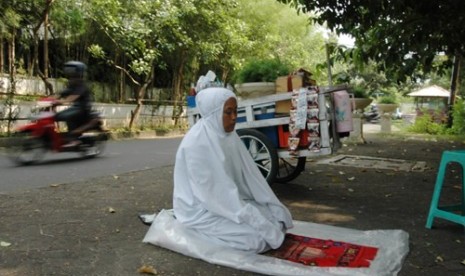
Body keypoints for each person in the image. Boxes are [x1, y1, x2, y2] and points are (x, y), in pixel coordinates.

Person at [173, 86, 293, 253]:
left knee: (276, 217)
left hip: (229, 201)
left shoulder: (229, 135)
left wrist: (252, 210)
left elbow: (248, 175)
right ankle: (197, 233)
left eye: (236, 111)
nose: (234, 118)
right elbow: (212, 195)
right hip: (202, 208)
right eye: (228, 112)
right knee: (256, 240)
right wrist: (248, 214)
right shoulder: (197, 143)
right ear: (213, 112)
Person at [54, 61, 93, 147]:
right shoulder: (71, 84)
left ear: (79, 75)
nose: (72, 78)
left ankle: (74, 140)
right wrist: (51, 99)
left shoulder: (82, 86)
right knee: (57, 116)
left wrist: (61, 101)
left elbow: (72, 97)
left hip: (83, 109)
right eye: (71, 75)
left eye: (74, 75)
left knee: (67, 116)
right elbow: (62, 93)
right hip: (76, 108)